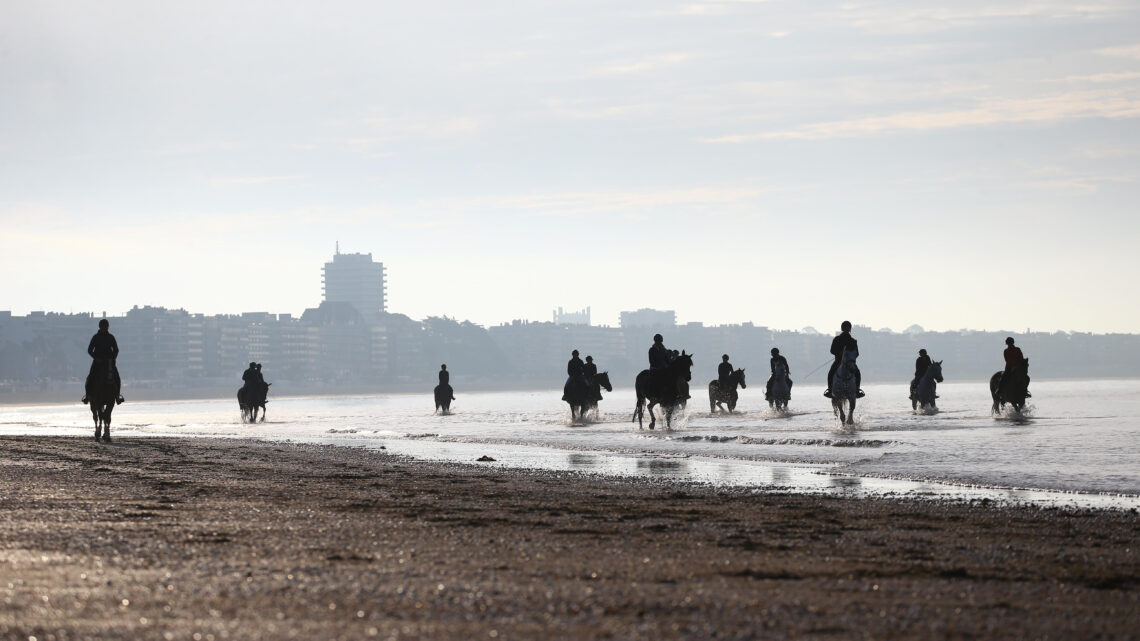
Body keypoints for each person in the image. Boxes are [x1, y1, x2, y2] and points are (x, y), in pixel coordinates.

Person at [82, 319, 124, 405]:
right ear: (100, 327)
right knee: (89, 378)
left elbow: (116, 350)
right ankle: (87, 396)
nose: (105, 328)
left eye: (106, 327)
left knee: (117, 378)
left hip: (109, 363)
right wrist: (96, 358)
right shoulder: (95, 337)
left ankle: (117, 397)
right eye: (103, 327)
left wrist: (113, 359)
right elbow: (90, 350)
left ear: (108, 327)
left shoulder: (111, 337)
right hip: (98, 362)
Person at [824, 320, 863, 398]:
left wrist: (851, 358)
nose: (846, 329)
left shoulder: (853, 341)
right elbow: (832, 350)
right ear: (842, 328)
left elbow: (857, 353)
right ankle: (830, 390)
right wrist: (839, 353)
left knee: (857, 373)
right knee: (831, 373)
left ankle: (857, 390)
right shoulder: (837, 339)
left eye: (848, 327)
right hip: (838, 361)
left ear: (850, 329)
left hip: (850, 362)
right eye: (845, 327)